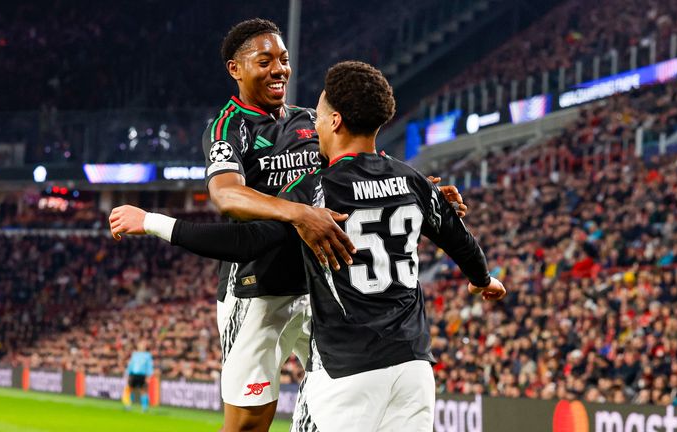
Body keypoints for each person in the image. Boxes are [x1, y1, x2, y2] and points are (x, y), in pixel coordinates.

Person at [110, 18, 465, 432]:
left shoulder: (310, 121)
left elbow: (364, 172)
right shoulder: (229, 127)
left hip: (320, 290)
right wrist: (297, 212)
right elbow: (226, 195)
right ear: (236, 69)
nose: (279, 69)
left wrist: (421, 191)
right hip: (256, 289)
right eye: (265, 61)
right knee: (248, 424)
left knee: (325, 414)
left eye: (284, 59)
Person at [122, 340, 154, 412]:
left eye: (143, 345)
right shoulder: (135, 354)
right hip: (133, 374)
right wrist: (127, 373)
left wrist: (149, 376)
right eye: (140, 344)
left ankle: (145, 408)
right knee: (129, 389)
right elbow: (131, 365)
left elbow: (149, 366)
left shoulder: (147, 355)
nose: (142, 346)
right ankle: (128, 405)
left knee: (143, 391)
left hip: (142, 375)